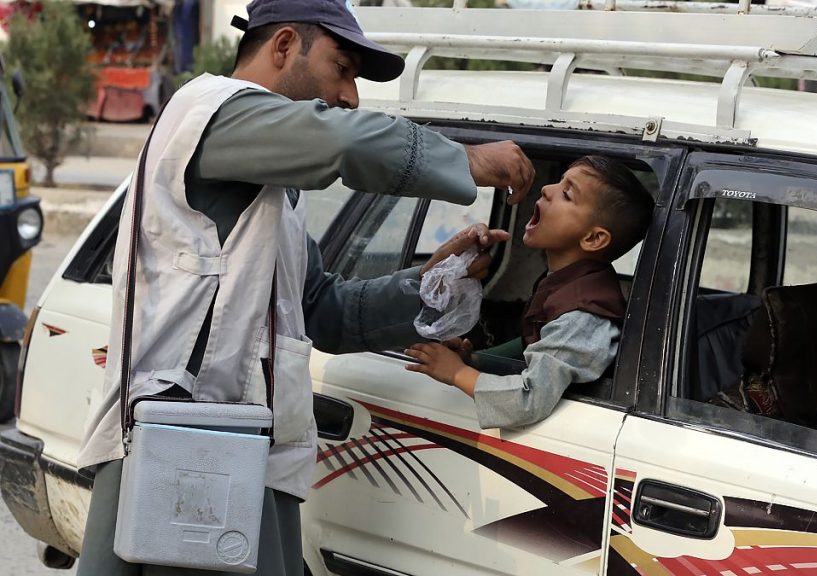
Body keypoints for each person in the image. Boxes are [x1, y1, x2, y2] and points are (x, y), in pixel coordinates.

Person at [75, 0, 536, 573]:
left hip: (236, 457)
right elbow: (341, 142)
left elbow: (321, 311)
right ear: (285, 45)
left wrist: (430, 283)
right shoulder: (211, 112)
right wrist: (462, 159)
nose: (350, 96)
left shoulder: (268, 190)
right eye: (342, 69)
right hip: (187, 453)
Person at [404, 155, 653, 428]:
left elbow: (529, 399)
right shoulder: (566, 283)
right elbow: (532, 345)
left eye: (567, 194)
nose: (547, 189)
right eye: (558, 182)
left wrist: (458, 373)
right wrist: (472, 359)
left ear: (593, 238)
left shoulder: (582, 317)